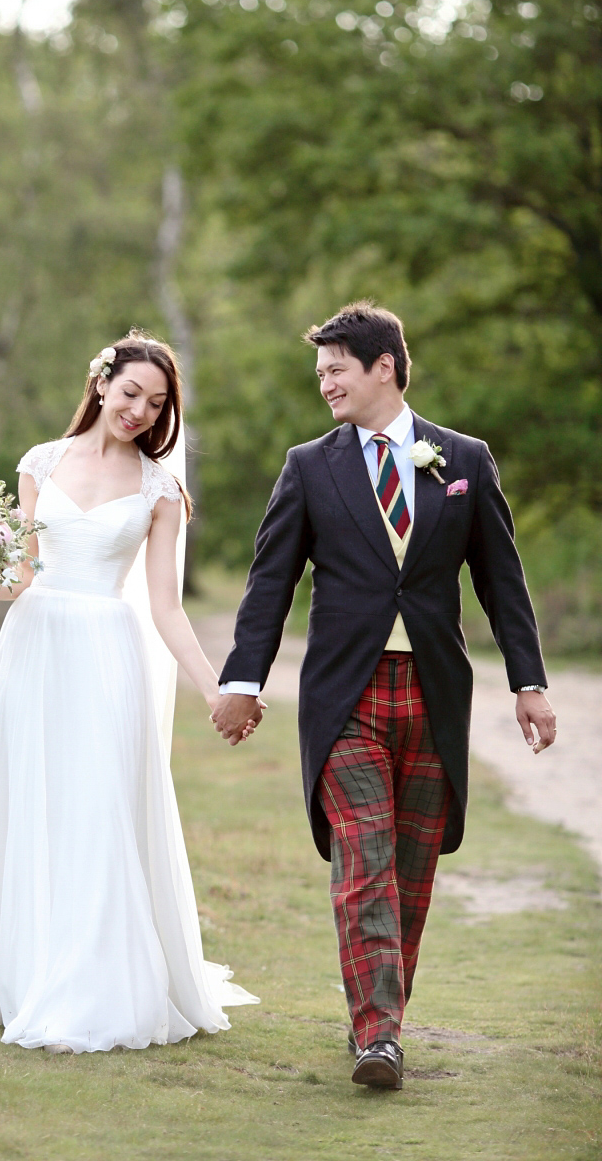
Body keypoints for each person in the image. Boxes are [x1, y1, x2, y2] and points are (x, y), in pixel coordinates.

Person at [212, 302, 556, 1090]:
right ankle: (380, 1039)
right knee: (362, 858)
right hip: (345, 697)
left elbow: (503, 582)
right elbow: (271, 583)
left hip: (434, 696)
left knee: (409, 869)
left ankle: (379, 1020)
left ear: (385, 368)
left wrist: (529, 682)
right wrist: (242, 679)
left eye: (337, 369)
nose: (324, 382)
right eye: (320, 371)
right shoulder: (308, 466)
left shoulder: (463, 458)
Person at [0, 329, 258, 1053]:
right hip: (34, 647)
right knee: (39, 802)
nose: (141, 412)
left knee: (101, 808)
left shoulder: (159, 490)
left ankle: (99, 985)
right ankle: (32, 975)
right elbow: (23, 572)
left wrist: (218, 690)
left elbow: (167, 607)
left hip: (107, 650)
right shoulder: (41, 463)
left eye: (157, 405)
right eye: (131, 394)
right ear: (100, 384)